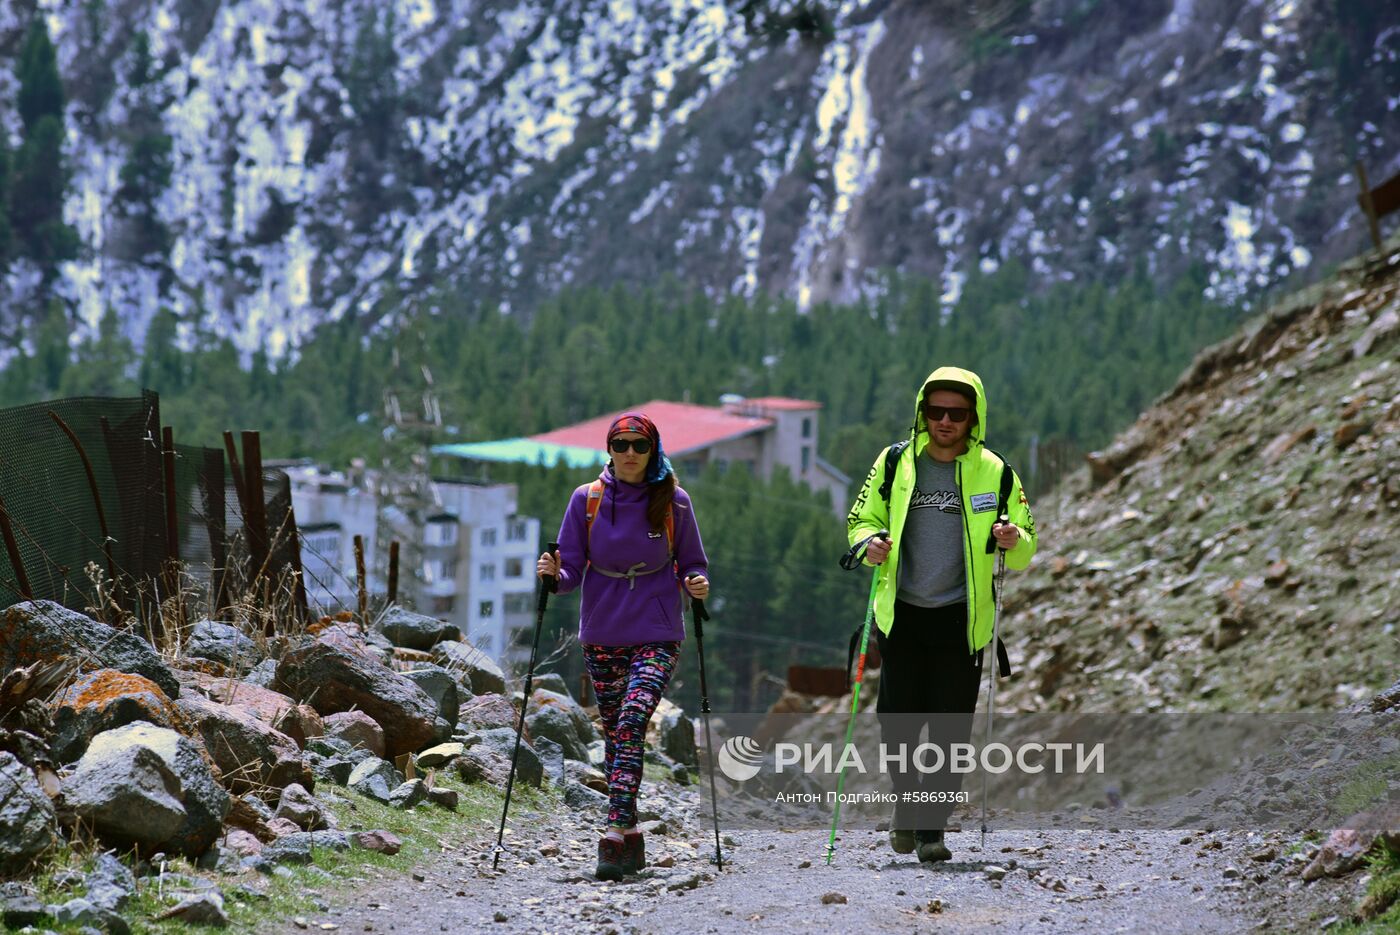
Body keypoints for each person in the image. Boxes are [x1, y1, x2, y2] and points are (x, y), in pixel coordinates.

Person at [846, 366, 1037, 863]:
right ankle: (908, 807)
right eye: (936, 411)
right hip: (902, 614)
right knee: (898, 723)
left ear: (974, 417)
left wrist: (1013, 541)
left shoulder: (997, 472)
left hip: (962, 620)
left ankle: (932, 830)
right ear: (922, 413)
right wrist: (869, 544)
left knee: (950, 728)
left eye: (957, 412)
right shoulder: (894, 464)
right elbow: (861, 517)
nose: (945, 421)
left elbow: (1024, 546)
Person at [536, 412, 710, 881]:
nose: (630, 453)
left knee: (632, 719)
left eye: (639, 445)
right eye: (621, 444)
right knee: (617, 734)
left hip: (657, 632)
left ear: (653, 450)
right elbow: (571, 572)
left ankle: (612, 830)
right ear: (609, 449)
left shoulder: (674, 502)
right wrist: (554, 576)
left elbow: (693, 562)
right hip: (602, 633)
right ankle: (631, 836)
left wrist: (696, 582)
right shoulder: (586, 500)